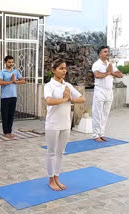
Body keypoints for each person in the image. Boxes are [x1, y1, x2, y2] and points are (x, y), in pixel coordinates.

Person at [44, 59, 85, 191]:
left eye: (65, 68)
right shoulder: (49, 86)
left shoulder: (67, 85)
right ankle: (51, 179)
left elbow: (82, 98)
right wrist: (65, 99)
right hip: (52, 124)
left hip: (65, 123)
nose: (64, 71)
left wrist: (70, 98)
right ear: (53, 70)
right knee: (51, 152)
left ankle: (57, 177)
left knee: (60, 153)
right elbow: (49, 101)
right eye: (61, 68)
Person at [92, 46, 123, 142]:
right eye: (105, 52)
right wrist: (108, 72)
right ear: (100, 54)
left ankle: (102, 133)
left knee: (105, 114)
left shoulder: (110, 64)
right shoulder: (96, 64)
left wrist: (111, 72)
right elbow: (97, 75)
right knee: (98, 113)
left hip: (109, 91)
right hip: (100, 90)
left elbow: (120, 75)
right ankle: (96, 134)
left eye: (108, 51)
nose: (107, 53)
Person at [0, 55, 25, 138]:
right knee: (5, 115)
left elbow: (23, 81)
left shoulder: (15, 72)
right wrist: (10, 81)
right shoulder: (2, 72)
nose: (11, 63)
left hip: (13, 96)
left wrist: (15, 81)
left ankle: (10, 131)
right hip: (5, 97)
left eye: (12, 62)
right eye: (9, 62)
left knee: (11, 115)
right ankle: (5, 132)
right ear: (5, 62)